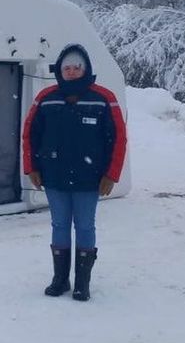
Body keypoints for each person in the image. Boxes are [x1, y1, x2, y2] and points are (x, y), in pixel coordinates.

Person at [23, 43, 127, 301]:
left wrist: (111, 174)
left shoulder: (104, 98)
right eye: (66, 68)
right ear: (60, 69)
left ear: (86, 68)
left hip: (89, 178)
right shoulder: (46, 98)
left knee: (84, 226)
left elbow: (119, 138)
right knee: (59, 224)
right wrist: (31, 167)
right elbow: (30, 135)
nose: (71, 72)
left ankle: (82, 282)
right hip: (54, 176)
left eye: (76, 67)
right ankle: (60, 280)